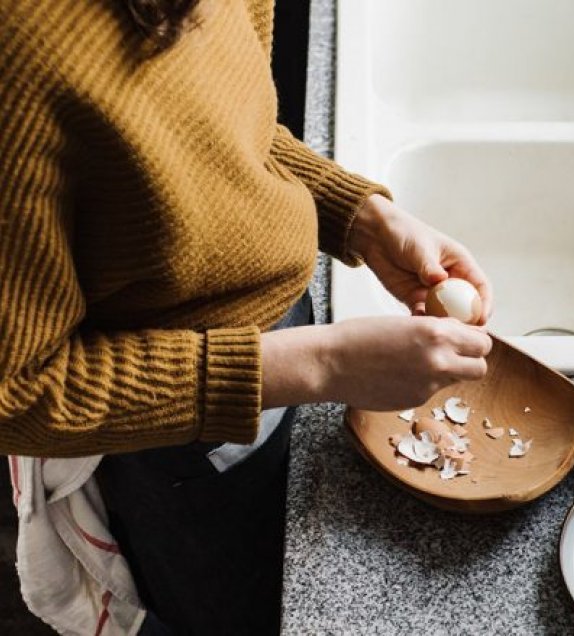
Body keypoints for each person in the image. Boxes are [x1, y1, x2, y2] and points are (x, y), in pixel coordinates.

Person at [0, 0, 493, 633]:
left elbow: (231, 134)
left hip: (284, 342)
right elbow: (16, 394)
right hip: (176, 421)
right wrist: (323, 362)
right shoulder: (19, 47)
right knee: (240, 610)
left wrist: (362, 218)